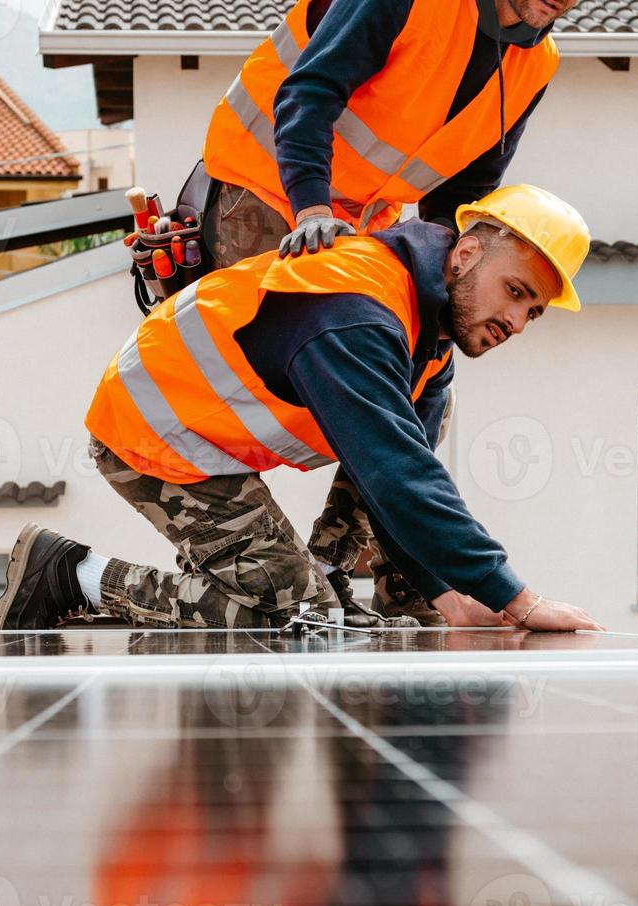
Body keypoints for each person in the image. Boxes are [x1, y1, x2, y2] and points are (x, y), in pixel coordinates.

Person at [0, 185, 602, 636]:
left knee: (421, 428)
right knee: (301, 621)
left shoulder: (431, 341)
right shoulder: (358, 311)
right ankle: (71, 573)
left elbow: (398, 476)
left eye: (534, 312)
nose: (517, 322)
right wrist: (514, 598)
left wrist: (451, 598)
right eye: (516, 292)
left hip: (217, 435)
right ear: (466, 253)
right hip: (156, 430)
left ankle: (320, 572)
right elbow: (397, 477)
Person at [198, 0, 577, 627]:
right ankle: (287, 575)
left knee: (417, 391)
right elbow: (310, 90)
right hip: (273, 191)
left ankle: (374, 574)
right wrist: (312, 208)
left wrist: (438, 289)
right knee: (355, 401)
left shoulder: (536, 60)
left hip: (358, 224)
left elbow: (463, 189)